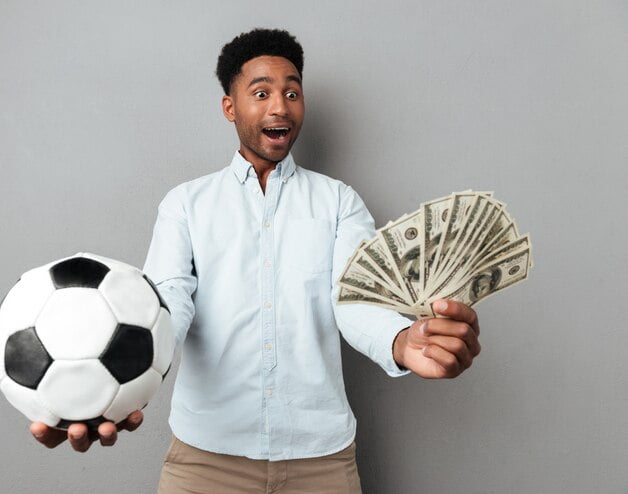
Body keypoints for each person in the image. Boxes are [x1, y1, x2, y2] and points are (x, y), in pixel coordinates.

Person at [29, 28, 482, 493]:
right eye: (261, 92)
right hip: (205, 461)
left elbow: (354, 301)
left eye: (292, 92)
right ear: (230, 108)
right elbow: (167, 304)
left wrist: (402, 342)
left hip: (321, 461)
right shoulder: (184, 204)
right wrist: (117, 385)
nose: (280, 106)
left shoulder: (340, 202)